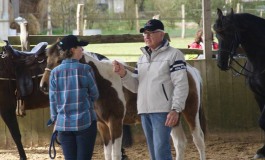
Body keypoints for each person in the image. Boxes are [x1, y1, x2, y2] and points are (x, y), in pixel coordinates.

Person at [112, 19, 189, 160]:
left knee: (161, 150)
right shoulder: (142, 59)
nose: (147, 36)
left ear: (162, 34)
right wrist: (123, 74)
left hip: (162, 110)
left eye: (151, 33)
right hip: (144, 111)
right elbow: (136, 87)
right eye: (145, 33)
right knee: (154, 151)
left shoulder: (174, 55)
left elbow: (181, 84)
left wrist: (176, 109)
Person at [49, 35, 99, 160]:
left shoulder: (54, 72)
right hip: (85, 123)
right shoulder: (85, 69)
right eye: (80, 47)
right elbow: (95, 95)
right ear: (72, 50)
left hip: (63, 125)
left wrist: (55, 119)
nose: (82, 49)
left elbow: (53, 101)